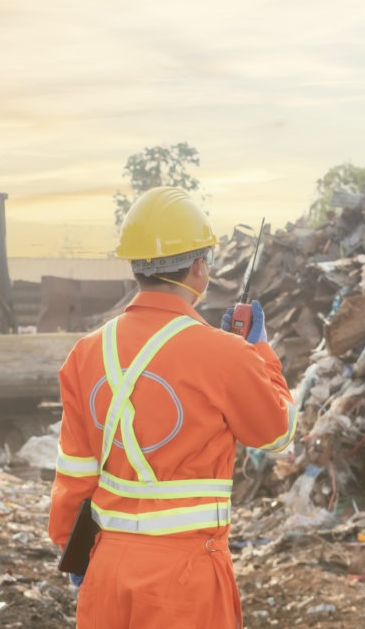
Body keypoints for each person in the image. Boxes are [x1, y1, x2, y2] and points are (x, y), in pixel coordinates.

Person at [48, 186, 297, 628]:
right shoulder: (227, 354)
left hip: (107, 571)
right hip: (186, 579)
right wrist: (259, 351)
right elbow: (277, 432)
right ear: (199, 268)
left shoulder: (86, 354)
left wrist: (75, 552)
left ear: (135, 266)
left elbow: (75, 474)